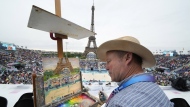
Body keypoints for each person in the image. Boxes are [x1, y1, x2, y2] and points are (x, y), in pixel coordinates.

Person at [97, 36, 174, 107]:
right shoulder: (154, 88)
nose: (106, 67)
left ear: (127, 58)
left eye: (108, 61)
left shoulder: (119, 103)